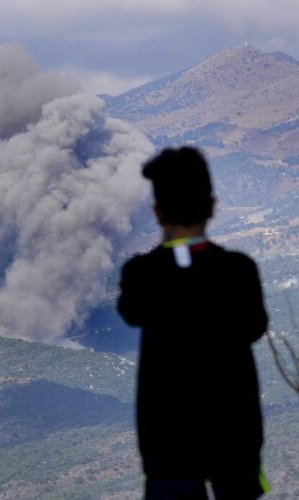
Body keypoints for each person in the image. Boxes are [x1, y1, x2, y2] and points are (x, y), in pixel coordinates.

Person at [116, 147, 270, 499]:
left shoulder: (142, 275)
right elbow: (254, 327)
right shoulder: (238, 270)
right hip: (235, 440)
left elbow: (131, 311)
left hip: (167, 446)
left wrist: (169, 249)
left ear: (157, 213)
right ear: (213, 206)